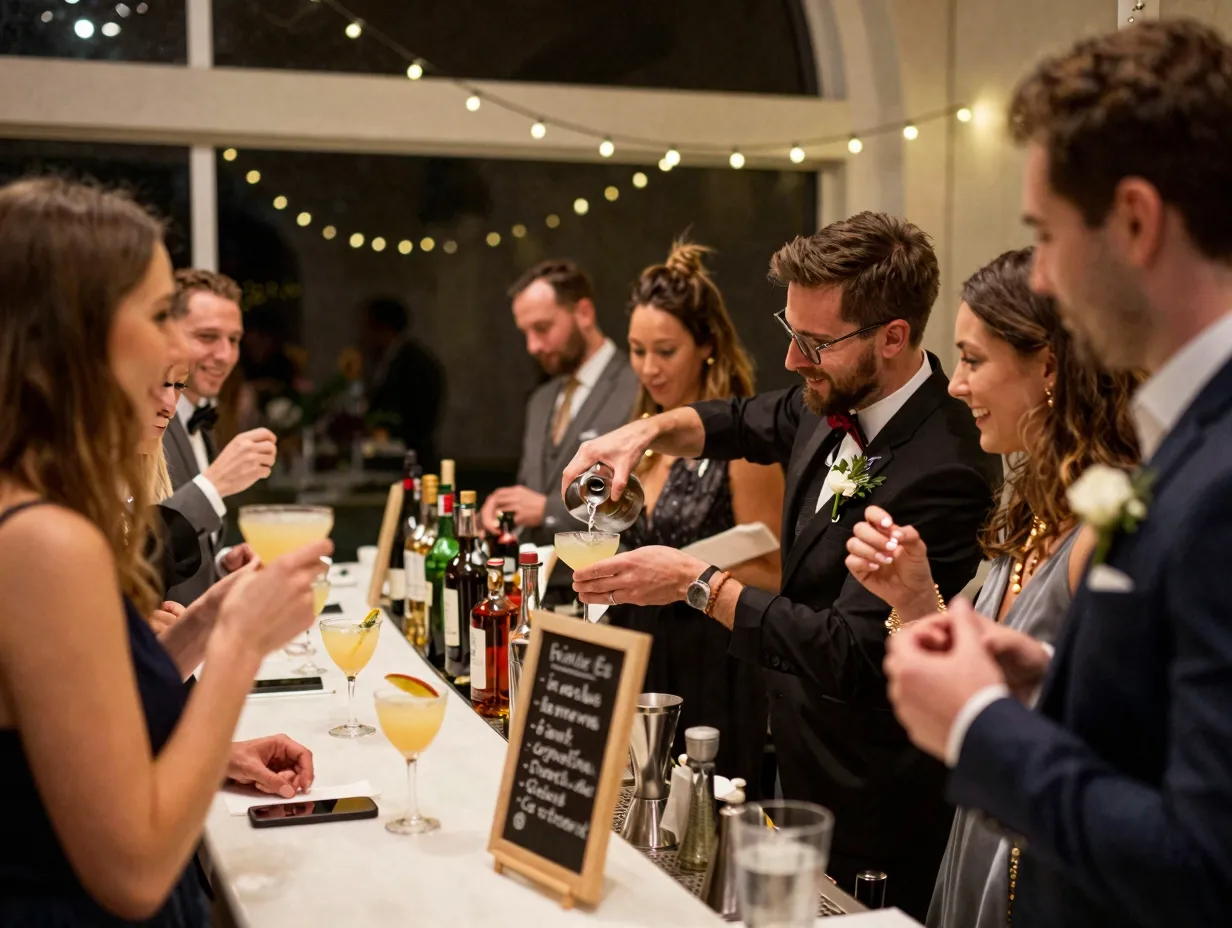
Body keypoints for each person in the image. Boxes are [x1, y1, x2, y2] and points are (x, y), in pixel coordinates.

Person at [882, 20, 1232, 927]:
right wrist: (1048, 677)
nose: (1042, 274)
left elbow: (1205, 868)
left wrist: (979, 728)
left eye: (1046, 235)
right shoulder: (1189, 433)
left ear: (1137, 221)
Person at [565, 212, 1002, 918]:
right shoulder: (832, 394)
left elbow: (853, 650)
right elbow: (737, 419)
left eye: (815, 343)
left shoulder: (946, 468)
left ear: (893, 337)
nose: (795, 360)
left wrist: (694, 583)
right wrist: (641, 431)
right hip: (792, 762)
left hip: (872, 796)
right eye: (790, 332)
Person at [0, 176, 330, 924]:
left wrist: (210, 618)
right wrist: (242, 644)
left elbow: (81, 737)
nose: (177, 347)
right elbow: (135, 871)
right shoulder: (44, 541)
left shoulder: (34, 502)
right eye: (157, 315)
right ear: (73, 332)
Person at [842, 248, 1140, 927]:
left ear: (1048, 369)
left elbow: (1116, 739)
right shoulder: (1031, 502)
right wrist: (914, 600)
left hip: (1045, 866)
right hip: (982, 839)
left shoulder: (1105, 528)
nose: (955, 384)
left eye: (973, 360)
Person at [608, 242, 784, 792]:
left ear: (706, 345)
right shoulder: (641, 434)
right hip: (639, 654)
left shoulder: (741, 446)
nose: (649, 368)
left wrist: (686, 575)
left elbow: (777, 576)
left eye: (665, 350)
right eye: (637, 351)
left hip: (711, 667)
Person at [481, 259, 640, 607]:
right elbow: (531, 486)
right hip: (536, 595)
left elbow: (641, 506)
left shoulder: (638, 386)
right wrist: (504, 507)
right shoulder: (540, 400)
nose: (532, 346)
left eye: (542, 328)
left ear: (583, 312)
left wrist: (547, 510)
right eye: (525, 333)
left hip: (607, 599)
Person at [162, 269, 275, 604]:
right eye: (207, 337)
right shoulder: (144, 424)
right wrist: (214, 484)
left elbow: (183, 547)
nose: (226, 355)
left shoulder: (203, 421)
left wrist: (222, 563)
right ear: (167, 335)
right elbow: (135, 547)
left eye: (234, 340)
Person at [360, 296, 444, 469]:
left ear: (383, 328)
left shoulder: (415, 363)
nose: (363, 336)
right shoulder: (390, 360)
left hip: (410, 461)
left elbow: (418, 419)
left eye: (367, 327)